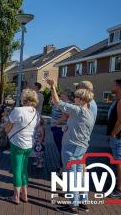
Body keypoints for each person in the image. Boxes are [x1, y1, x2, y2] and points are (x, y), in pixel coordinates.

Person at [45, 77, 94, 214]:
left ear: (81, 99)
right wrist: (66, 127)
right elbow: (78, 127)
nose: (74, 99)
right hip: (80, 147)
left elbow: (57, 102)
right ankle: (81, 202)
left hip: (71, 147)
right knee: (79, 175)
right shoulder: (89, 113)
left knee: (71, 175)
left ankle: (73, 206)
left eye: (76, 97)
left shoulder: (78, 111)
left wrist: (53, 86)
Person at [4, 89, 40, 205]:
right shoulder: (36, 112)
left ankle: (16, 197)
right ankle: (24, 195)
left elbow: (7, 128)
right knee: (24, 170)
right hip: (29, 145)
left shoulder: (18, 110)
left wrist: (7, 131)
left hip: (17, 144)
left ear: (24, 98)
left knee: (16, 171)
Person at [50, 90, 72, 173]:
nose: (60, 95)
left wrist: (56, 123)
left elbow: (65, 117)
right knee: (60, 149)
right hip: (57, 128)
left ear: (66, 94)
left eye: (61, 94)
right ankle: (62, 167)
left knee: (61, 149)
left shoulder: (67, 105)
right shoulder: (62, 103)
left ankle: (62, 168)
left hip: (60, 129)